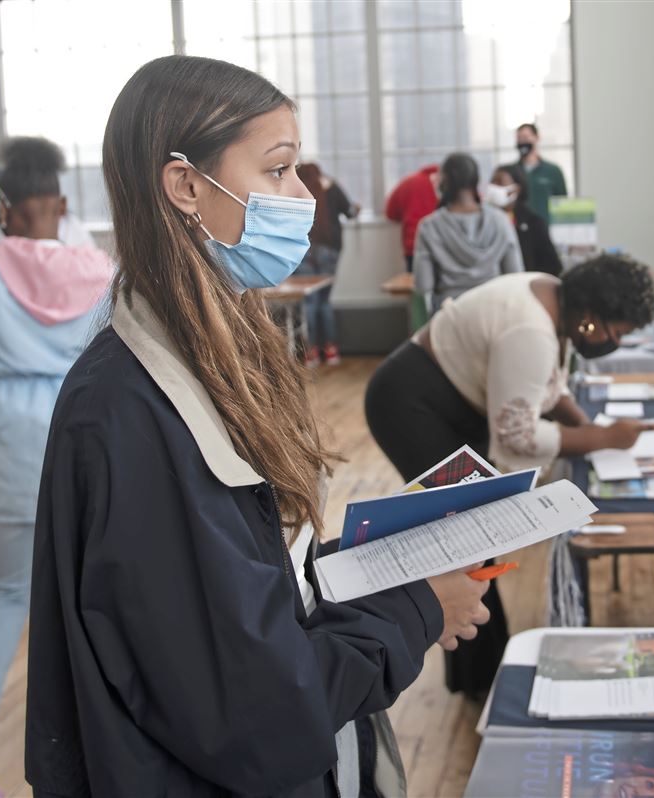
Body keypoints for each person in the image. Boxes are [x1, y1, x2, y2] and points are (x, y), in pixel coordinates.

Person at [25, 55, 491, 796]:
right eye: (277, 170)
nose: (302, 195)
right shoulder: (129, 412)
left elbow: (249, 577)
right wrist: (418, 606)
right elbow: (254, 709)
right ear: (185, 186)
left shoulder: (218, 355)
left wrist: (388, 560)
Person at [365, 255, 654, 698]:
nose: (612, 342)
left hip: (446, 397)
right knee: (466, 540)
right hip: (411, 404)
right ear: (589, 314)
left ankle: (480, 672)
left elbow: (548, 387)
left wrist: (587, 428)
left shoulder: (555, 297)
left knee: (471, 539)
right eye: (613, 332)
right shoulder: (531, 329)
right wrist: (602, 438)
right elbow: (518, 436)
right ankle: (485, 682)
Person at [0, 137, 112, 798]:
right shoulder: (100, 269)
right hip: (81, 430)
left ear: (5, 208)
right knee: (90, 595)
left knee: (8, 596)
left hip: (5, 436)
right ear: (60, 203)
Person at [413, 152, 524, 312]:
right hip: (494, 312)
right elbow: (515, 274)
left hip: (450, 312)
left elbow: (424, 285)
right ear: (476, 180)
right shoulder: (500, 220)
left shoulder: (429, 226)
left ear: (444, 181)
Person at [294, 162, 359, 367]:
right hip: (330, 251)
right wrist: (356, 208)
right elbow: (350, 212)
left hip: (303, 250)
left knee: (308, 302)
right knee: (325, 301)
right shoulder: (331, 185)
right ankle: (331, 350)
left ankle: (310, 352)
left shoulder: (295, 187)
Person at [487, 164, 563, 276]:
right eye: (492, 182)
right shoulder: (484, 220)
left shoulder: (534, 223)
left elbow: (552, 265)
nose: (493, 187)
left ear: (516, 190)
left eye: (500, 182)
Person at [505, 122, 568, 222]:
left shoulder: (553, 171)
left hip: (546, 227)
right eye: (519, 138)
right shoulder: (510, 172)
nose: (522, 142)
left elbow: (563, 204)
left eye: (525, 137)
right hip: (518, 227)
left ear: (537, 138)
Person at [384, 162, 439, 272]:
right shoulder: (447, 184)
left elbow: (390, 212)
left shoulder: (408, 182)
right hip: (439, 244)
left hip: (412, 244)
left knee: (414, 280)